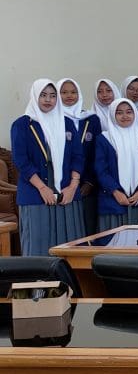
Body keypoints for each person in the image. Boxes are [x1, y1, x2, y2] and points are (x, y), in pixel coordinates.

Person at [11, 79, 85, 255]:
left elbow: (78, 156)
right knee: (38, 243)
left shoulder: (66, 122)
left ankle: (69, 282)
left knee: (70, 244)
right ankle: (38, 282)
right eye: (43, 95)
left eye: (52, 96)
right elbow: (21, 160)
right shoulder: (22, 124)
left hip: (67, 189)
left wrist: (73, 187)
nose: (48, 100)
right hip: (35, 190)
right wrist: (42, 188)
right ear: (35, 96)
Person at [57, 78, 102, 234]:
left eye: (73, 92)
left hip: (88, 182)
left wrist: (89, 182)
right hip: (63, 182)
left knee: (88, 226)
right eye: (64, 92)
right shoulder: (53, 119)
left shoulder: (91, 119)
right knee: (66, 227)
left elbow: (97, 153)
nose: (69, 95)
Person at [94, 98, 138, 229]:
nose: (124, 116)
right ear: (112, 115)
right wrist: (115, 192)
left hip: (137, 199)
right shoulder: (104, 138)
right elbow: (100, 169)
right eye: (119, 112)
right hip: (112, 200)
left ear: (135, 114)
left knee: (137, 243)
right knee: (112, 243)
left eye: (129, 112)